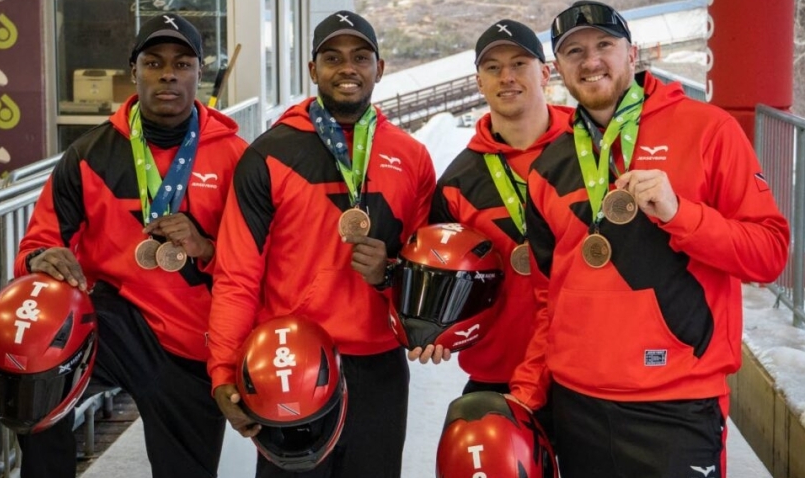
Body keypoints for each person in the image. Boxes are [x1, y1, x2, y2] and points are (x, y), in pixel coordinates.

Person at [510, 2, 790, 477]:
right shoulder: (548, 167)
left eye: (604, 45)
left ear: (632, 53)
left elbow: (769, 255)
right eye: (574, 51)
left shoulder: (708, 129)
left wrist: (682, 215)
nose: (590, 60)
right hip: (578, 404)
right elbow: (547, 299)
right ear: (557, 69)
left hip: (677, 403)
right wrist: (527, 391)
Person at [14, 13, 248, 478]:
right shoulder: (89, 154)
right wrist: (41, 259)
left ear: (199, 72)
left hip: (191, 336)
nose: (168, 74)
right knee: (28, 354)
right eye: (154, 62)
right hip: (114, 323)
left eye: (181, 64)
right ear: (133, 70)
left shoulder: (235, 157)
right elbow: (38, 241)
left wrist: (204, 247)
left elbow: (255, 262)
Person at [206, 10, 435, 478]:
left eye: (360, 57)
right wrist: (224, 370)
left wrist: (390, 274)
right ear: (313, 70)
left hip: (377, 366)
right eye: (332, 58)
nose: (347, 68)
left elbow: (423, 266)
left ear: (380, 68)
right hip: (288, 361)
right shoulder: (269, 154)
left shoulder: (411, 157)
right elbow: (237, 274)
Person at [415, 19, 572, 409]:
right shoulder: (457, 183)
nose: (507, 77)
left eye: (519, 63)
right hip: (497, 374)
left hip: (586, 370)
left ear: (545, 72)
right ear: (479, 82)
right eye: (492, 68)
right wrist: (433, 328)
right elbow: (439, 271)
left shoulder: (589, 150)